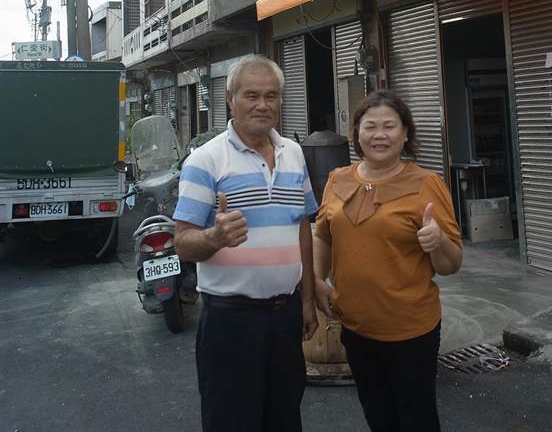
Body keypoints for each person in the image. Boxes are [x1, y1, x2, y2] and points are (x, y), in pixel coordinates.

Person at [173, 54, 318, 432]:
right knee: (231, 420)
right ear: (230, 99)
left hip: (285, 316)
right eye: (251, 95)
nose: (262, 105)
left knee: (285, 417)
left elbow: (302, 226)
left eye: (271, 96)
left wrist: (307, 299)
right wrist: (214, 237)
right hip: (230, 320)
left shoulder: (294, 153)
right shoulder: (206, 160)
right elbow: (182, 243)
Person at [314, 89, 462, 432]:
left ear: (406, 133)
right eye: (370, 126)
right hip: (355, 326)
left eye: (389, 126)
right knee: (377, 415)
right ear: (357, 133)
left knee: (416, 418)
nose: (379, 135)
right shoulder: (338, 180)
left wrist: (437, 242)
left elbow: (451, 264)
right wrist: (317, 280)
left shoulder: (427, 184)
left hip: (411, 330)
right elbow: (322, 234)